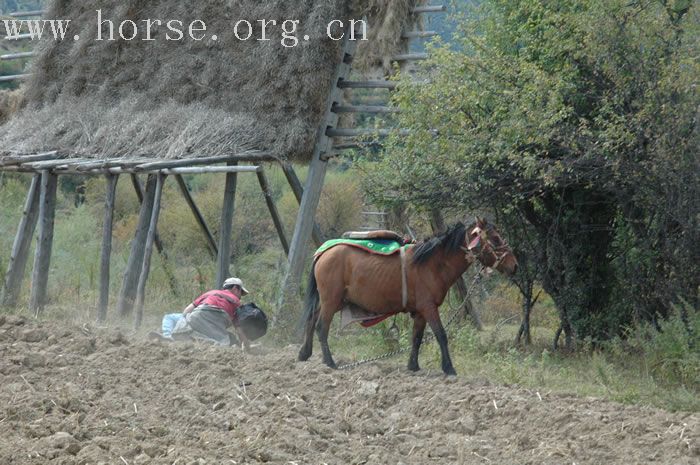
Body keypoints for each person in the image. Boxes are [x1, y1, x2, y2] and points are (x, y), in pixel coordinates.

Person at [150, 277, 251, 350]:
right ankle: (203, 341)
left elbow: (186, 311)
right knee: (223, 342)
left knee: (169, 317)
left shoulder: (212, 293)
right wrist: (245, 344)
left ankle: (169, 336)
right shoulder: (237, 302)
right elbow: (238, 328)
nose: (240, 296)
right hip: (217, 325)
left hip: (199, 315)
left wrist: (183, 323)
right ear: (235, 288)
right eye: (240, 292)